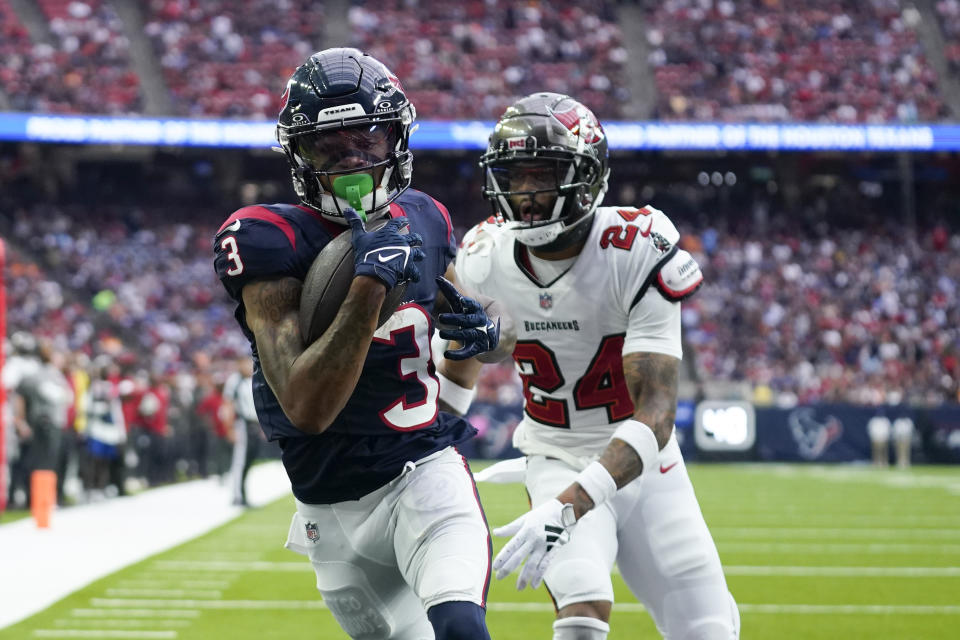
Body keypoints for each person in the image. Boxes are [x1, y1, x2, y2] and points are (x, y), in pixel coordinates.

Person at [213, 48, 512, 640]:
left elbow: (463, 323)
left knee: (461, 629)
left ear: (396, 139)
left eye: (367, 139)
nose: (352, 158)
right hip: (329, 506)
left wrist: (488, 336)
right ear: (298, 152)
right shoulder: (268, 237)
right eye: (330, 145)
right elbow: (306, 404)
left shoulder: (425, 216)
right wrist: (369, 284)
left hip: (423, 473)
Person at [450, 92, 740, 639]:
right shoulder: (482, 258)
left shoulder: (637, 247)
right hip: (554, 454)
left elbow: (655, 416)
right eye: (515, 178)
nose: (528, 195)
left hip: (647, 464)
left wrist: (570, 504)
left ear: (588, 176)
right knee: (582, 610)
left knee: (708, 627)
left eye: (544, 175)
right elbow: (471, 357)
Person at [221, 357, 261, 506]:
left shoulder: (251, 379)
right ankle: (238, 496)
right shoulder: (235, 381)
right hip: (242, 424)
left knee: (248, 460)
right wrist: (229, 428)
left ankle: (243, 493)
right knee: (240, 461)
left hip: (253, 425)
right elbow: (228, 405)